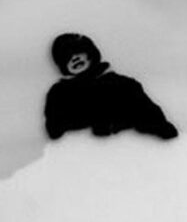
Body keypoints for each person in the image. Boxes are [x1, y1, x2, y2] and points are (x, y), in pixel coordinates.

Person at [44, 32, 179, 141]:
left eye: (78, 51)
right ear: (62, 65)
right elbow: (55, 131)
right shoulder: (59, 95)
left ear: (90, 53)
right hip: (81, 158)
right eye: (67, 57)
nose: (74, 58)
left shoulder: (123, 85)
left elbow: (153, 119)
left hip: (128, 153)